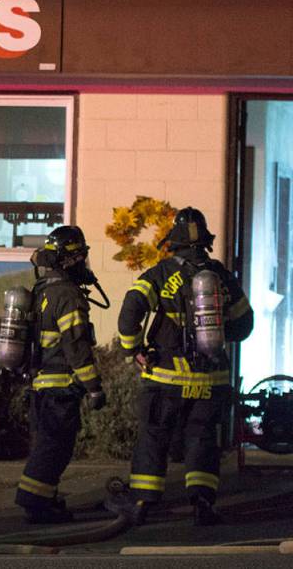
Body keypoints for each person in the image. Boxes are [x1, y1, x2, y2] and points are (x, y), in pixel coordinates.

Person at [110, 207, 253, 526]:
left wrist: (133, 349)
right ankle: (202, 503)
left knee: (154, 438)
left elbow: (130, 311)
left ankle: (143, 502)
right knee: (202, 439)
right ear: (204, 242)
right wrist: (216, 336)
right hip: (211, 381)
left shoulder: (159, 274)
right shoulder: (221, 277)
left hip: (165, 380)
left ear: (173, 243)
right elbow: (245, 324)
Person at [13, 226, 106, 524]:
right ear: (68, 261)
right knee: (56, 448)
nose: (84, 265)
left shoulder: (43, 291)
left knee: (46, 445)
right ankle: (35, 503)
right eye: (80, 258)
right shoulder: (68, 296)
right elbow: (76, 347)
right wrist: (94, 387)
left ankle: (45, 499)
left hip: (40, 386)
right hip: (60, 388)